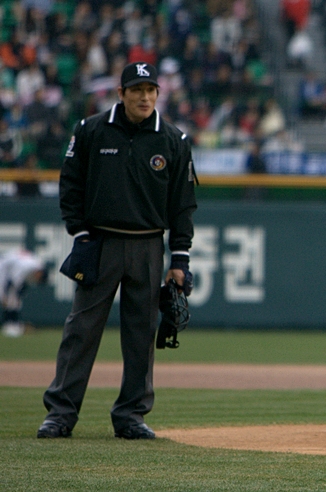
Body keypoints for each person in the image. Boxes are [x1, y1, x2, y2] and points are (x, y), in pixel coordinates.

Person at [37, 62, 197, 440]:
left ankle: (131, 415)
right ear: (121, 93)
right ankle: (61, 413)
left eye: (151, 90)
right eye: (137, 90)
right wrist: (79, 233)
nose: (145, 97)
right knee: (82, 329)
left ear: (158, 94)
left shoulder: (173, 139)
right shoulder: (91, 129)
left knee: (141, 333)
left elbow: (183, 204)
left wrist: (180, 257)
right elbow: (70, 184)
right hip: (100, 241)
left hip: (148, 245)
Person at [0, 249, 48, 338]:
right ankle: (9, 325)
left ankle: (12, 324)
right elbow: (13, 282)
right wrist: (7, 296)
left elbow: (22, 284)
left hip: (9, 268)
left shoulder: (36, 266)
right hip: (3, 267)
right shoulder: (27, 266)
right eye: (40, 277)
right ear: (39, 272)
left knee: (14, 301)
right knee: (9, 300)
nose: (38, 279)